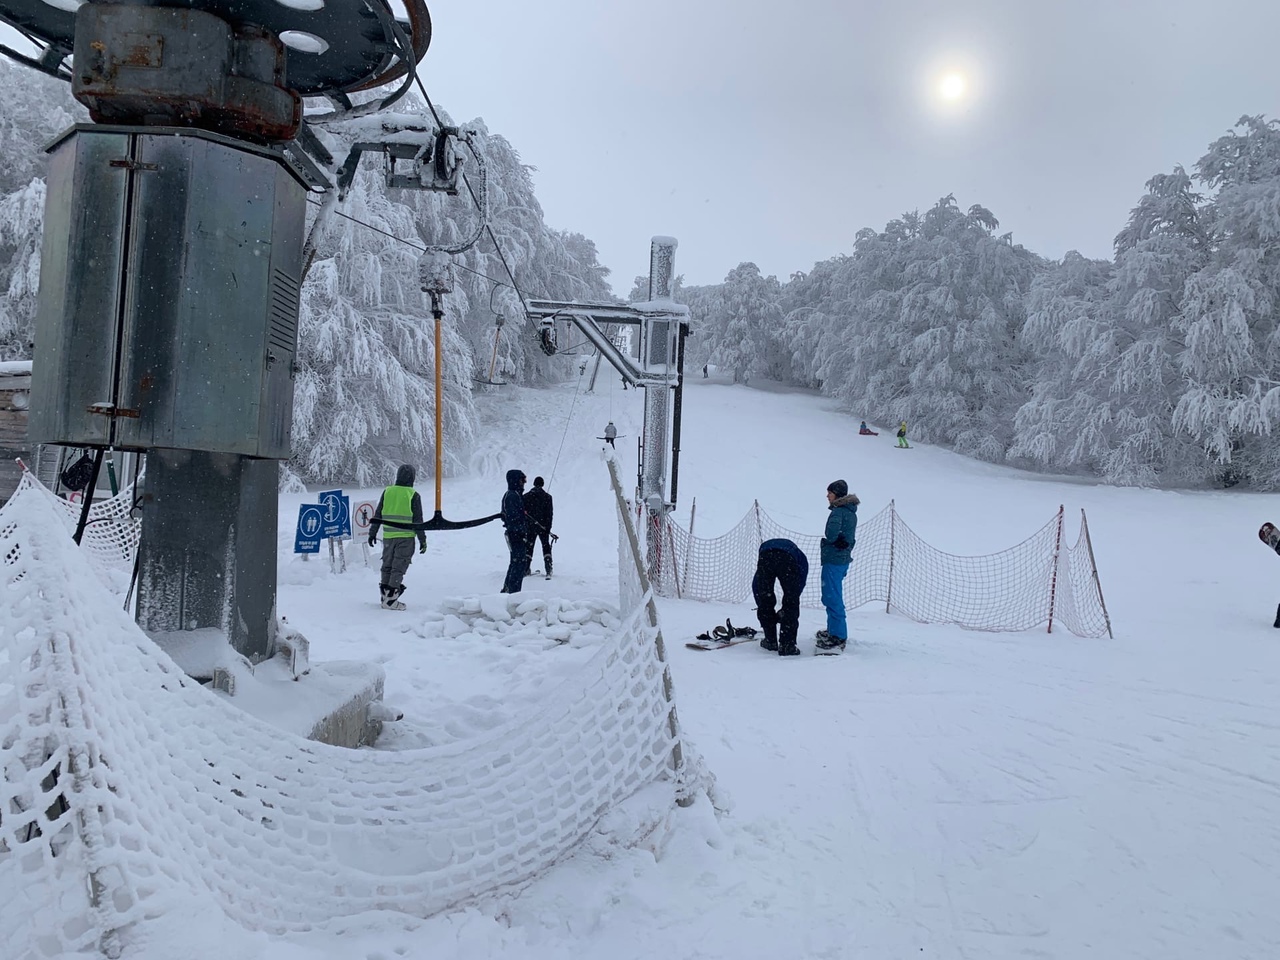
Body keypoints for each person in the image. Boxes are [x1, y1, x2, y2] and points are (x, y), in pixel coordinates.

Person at [368, 463, 427, 610]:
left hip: (388, 536)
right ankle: (391, 600)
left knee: (387, 565)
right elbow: (418, 520)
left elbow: (378, 514)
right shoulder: (413, 495)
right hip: (406, 538)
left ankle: (384, 595)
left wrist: (372, 533)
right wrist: (422, 540)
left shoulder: (387, 491)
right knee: (398, 567)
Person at [817, 479, 859, 651]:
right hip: (841, 560)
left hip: (834, 560)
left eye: (830, 492)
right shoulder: (851, 512)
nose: (827, 495)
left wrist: (834, 539)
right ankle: (834, 630)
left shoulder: (838, 512)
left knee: (832, 596)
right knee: (832, 595)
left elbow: (831, 534)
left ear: (838, 494)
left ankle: (838, 636)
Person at [752, 538, 809, 657]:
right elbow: (799, 584)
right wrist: (790, 604)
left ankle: (770, 640)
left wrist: (763, 607)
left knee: (765, 598)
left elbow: (757, 587)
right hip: (787, 558)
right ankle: (787, 645)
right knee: (791, 601)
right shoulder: (800, 559)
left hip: (766, 556)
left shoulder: (766, 555)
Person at [500, 468, 530, 593]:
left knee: (516, 562)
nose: (524, 483)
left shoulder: (515, 495)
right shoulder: (511, 496)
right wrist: (522, 529)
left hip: (517, 533)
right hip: (515, 534)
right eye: (522, 480)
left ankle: (508, 590)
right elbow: (513, 518)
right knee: (518, 562)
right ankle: (512, 593)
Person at [524, 476, 554, 577]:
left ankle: (526, 568)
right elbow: (550, 515)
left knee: (529, 547)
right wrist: (548, 528)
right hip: (543, 527)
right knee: (546, 546)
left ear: (534, 484)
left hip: (530, 526)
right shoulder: (548, 497)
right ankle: (548, 568)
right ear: (542, 484)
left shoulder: (526, 496)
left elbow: (524, 514)